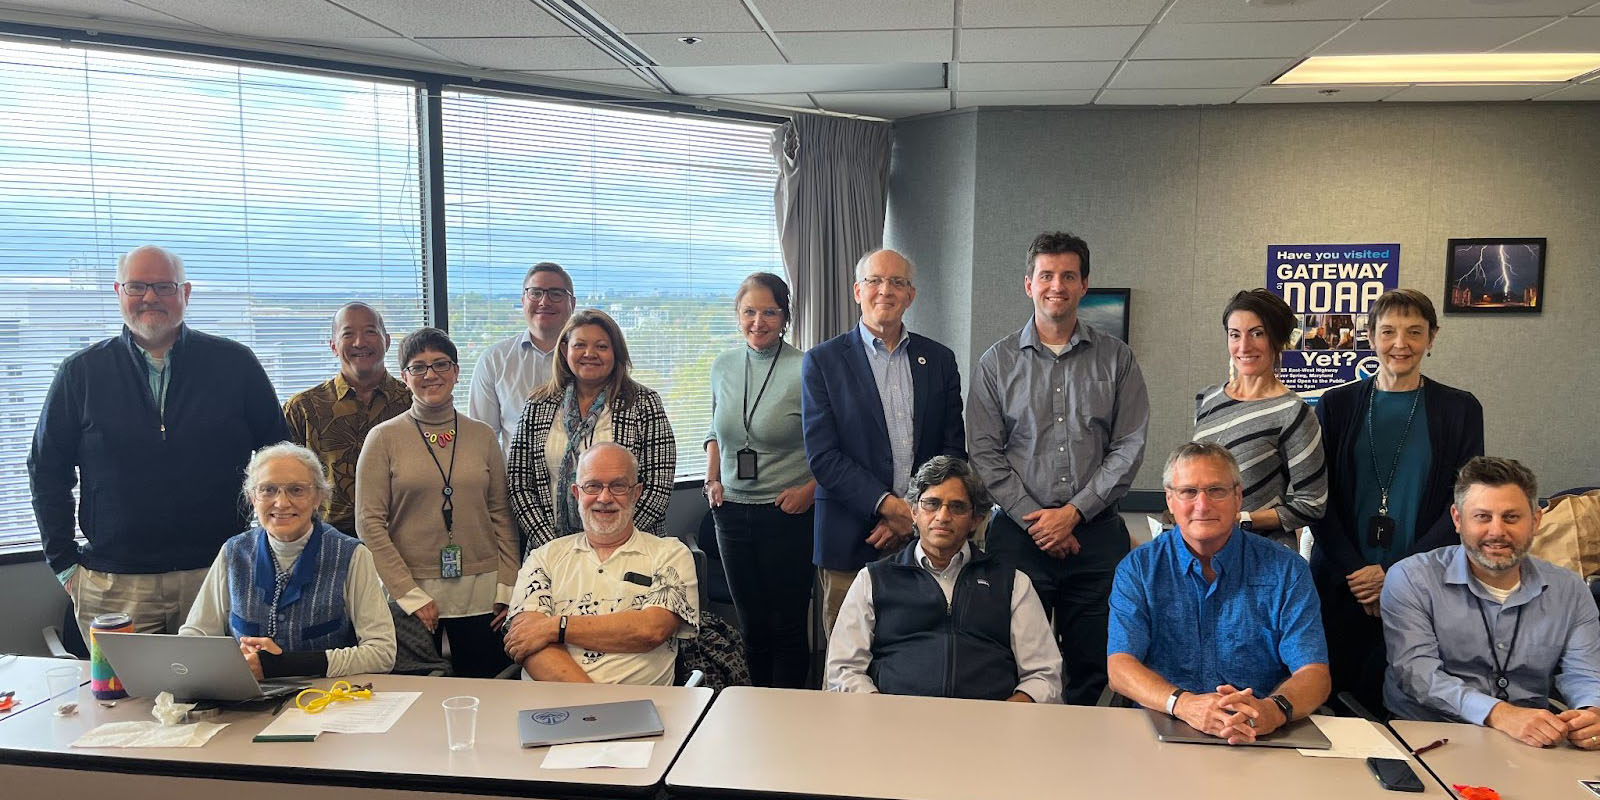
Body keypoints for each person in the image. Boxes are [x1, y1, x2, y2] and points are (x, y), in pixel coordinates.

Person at [29, 244, 289, 638]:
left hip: (218, 572)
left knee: (225, 695)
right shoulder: (81, 373)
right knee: (118, 699)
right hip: (114, 583)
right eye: (137, 287)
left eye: (164, 287)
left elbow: (281, 457)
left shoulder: (235, 365)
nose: (150, 297)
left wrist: (269, 547)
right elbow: (47, 470)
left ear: (185, 294)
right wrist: (64, 564)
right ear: (119, 292)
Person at [968, 231, 1149, 706]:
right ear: (1028, 283)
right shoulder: (996, 362)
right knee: (1008, 659)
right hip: (1017, 538)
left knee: (1094, 665)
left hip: (1096, 537)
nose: (1057, 285)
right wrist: (1038, 518)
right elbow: (985, 453)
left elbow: (1128, 446)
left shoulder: (1118, 359)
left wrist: (1074, 513)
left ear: (1084, 285)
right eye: (1046, 275)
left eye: (1068, 275)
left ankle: (1081, 769)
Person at [1311, 288, 1484, 715]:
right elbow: (1317, 497)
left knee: (1408, 701)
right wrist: (1358, 571)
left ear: (1433, 337)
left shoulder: (1460, 409)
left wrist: (1396, 574)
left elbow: (1463, 503)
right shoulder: (1336, 405)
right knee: (1333, 700)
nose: (1400, 344)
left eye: (1414, 332)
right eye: (1387, 331)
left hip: (1423, 580)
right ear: (1370, 336)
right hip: (1342, 578)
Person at [1108, 442, 1330, 744]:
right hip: (1164, 722)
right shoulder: (1138, 569)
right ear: (1170, 500)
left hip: (1260, 730)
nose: (1203, 505)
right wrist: (1184, 704)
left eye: (1216, 491)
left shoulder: (1287, 570)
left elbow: (1314, 672)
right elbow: (1120, 666)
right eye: (1188, 492)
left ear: (1238, 497)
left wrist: (1272, 710)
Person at [802, 248, 966, 637]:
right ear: (857, 291)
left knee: (919, 655)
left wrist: (910, 518)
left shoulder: (939, 359)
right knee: (848, 666)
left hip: (926, 541)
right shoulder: (823, 362)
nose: (885, 291)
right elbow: (823, 457)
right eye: (875, 280)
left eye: (897, 282)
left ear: (911, 295)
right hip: (850, 538)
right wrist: (889, 507)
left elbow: (952, 451)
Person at [1383, 456, 1600, 749]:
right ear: (1458, 520)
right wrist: (1499, 714)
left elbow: (1584, 673)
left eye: (1511, 517)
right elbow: (1417, 674)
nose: (1497, 531)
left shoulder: (1570, 589)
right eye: (1482, 517)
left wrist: (1591, 712)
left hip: (1533, 741)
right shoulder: (1411, 579)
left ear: (1536, 521)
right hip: (1429, 734)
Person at [826, 456, 1062, 702]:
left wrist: (1003, 719)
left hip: (990, 727)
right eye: (932, 504)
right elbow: (845, 670)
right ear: (914, 513)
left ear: (976, 519)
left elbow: (1044, 675)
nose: (943, 516)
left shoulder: (1012, 583)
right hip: (895, 726)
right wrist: (883, 716)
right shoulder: (874, 579)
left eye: (957, 506)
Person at [355, 327, 519, 678]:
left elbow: (501, 514)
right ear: (405, 377)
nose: (431, 374)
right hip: (413, 593)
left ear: (456, 372)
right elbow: (369, 523)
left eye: (441, 364)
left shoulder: (482, 435)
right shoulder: (383, 439)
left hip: (484, 594)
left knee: (488, 692)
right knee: (418, 699)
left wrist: (508, 586)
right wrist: (408, 594)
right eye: (419, 366)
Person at [182, 443, 396, 679]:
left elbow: (382, 653)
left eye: (296, 490)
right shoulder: (233, 552)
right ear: (253, 498)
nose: (282, 503)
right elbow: (195, 638)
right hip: (247, 702)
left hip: (328, 701)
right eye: (268, 490)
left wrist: (284, 665)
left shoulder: (352, 555)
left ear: (318, 497)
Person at [503, 442, 699, 685]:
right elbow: (527, 641)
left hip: (640, 709)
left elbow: (651, 630)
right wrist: (596, 709)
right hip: (551, 710)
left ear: (636, 493)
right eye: (593, 486)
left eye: (618, 486)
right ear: (577, 493)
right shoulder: (544, 557)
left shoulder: (670, 554)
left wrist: (556, 627)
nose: (604, 498)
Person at [703, 272, 816, 689]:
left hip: (786, 513)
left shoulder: (806, 367)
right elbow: (714, 430)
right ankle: (756, 716)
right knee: (752, 628)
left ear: (785, 317)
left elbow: (832, 442)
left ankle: (788, 718)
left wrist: (810, 491)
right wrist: (713, 480)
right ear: (737, 316)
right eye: (749, 311)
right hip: (730, 513)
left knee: (786, 627)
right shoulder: (723, 366)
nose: (759, 321)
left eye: (770, 312)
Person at [507, 309, 676, 554]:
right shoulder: (538, 404)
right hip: (551, 552)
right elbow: (519, 484)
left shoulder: (644, 402)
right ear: (565, 351)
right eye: (580, 345)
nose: (590, 354)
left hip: (629, 549)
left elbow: (658, 486)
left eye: (601, 346)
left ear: (615, 352)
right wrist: (554, 548)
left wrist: (607, 543)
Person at [1193, 289, 1327, 548]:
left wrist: (1242, 519)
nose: (1244, 346)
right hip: (1204, 550)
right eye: (1235, 335)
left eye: (1257, 333)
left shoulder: (1293, 412)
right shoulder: (1207, 400)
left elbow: (1313, 504)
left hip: (1261, 554)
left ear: (1278, 340)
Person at [283, 302, 411, 535]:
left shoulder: (413, 404)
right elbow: (284, 484)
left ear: (388, 341)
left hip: (404, 540)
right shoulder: (303, 408)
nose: (360, 342)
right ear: (333, 346)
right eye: (348, 334)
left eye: (370, 332)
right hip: (328, 545)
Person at [469, 262, 576, 453]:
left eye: (556, 294)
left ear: (572, 304)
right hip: (516, 481)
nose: (544, 301)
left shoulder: (591, 360)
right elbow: (482, 442)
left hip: (584, 480)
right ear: (523, 301)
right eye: (535, 293)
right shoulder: (494, 361)